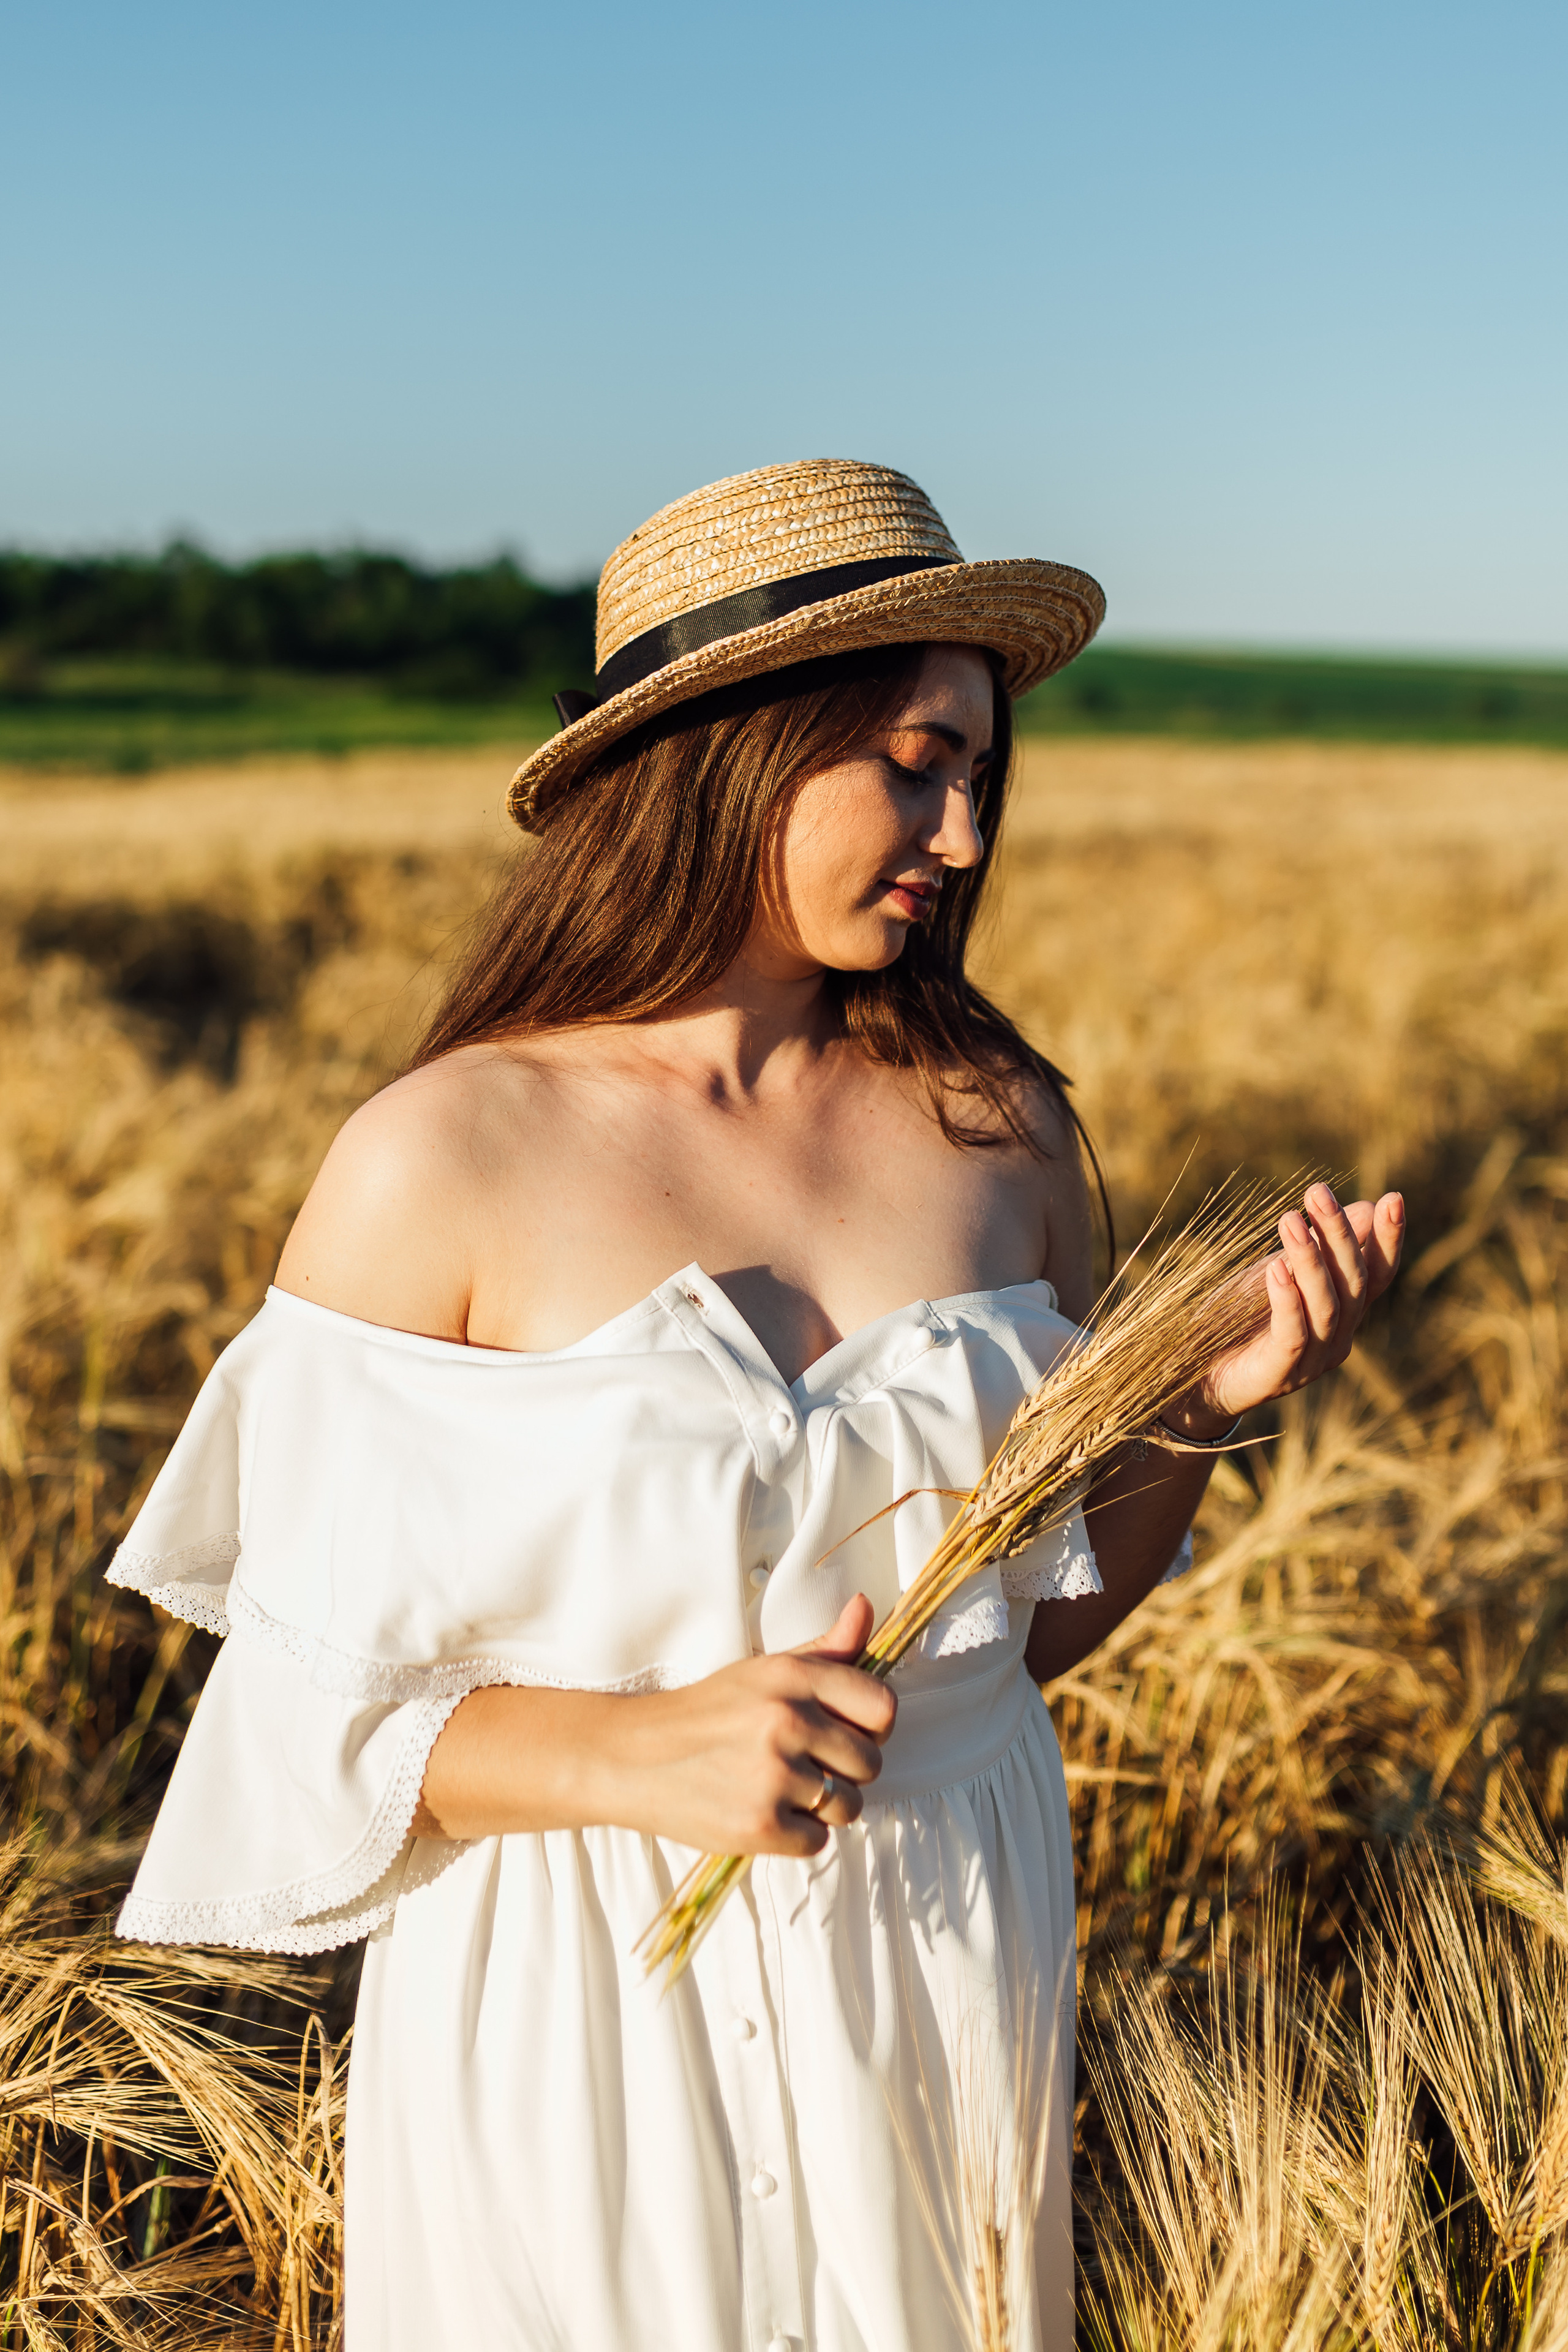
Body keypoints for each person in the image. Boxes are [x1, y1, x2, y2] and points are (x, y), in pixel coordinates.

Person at [110, 459, 1404, 2351]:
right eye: (911, 758)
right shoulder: (444, 1155)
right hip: (582, 1998)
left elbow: (1016, 1645)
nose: (959, 832)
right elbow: (288, 1729)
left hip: (941, 1960)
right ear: (732, 749)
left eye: (979, 772)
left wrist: (1205, 1411)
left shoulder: (1002, 1130)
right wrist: (636, 1759)